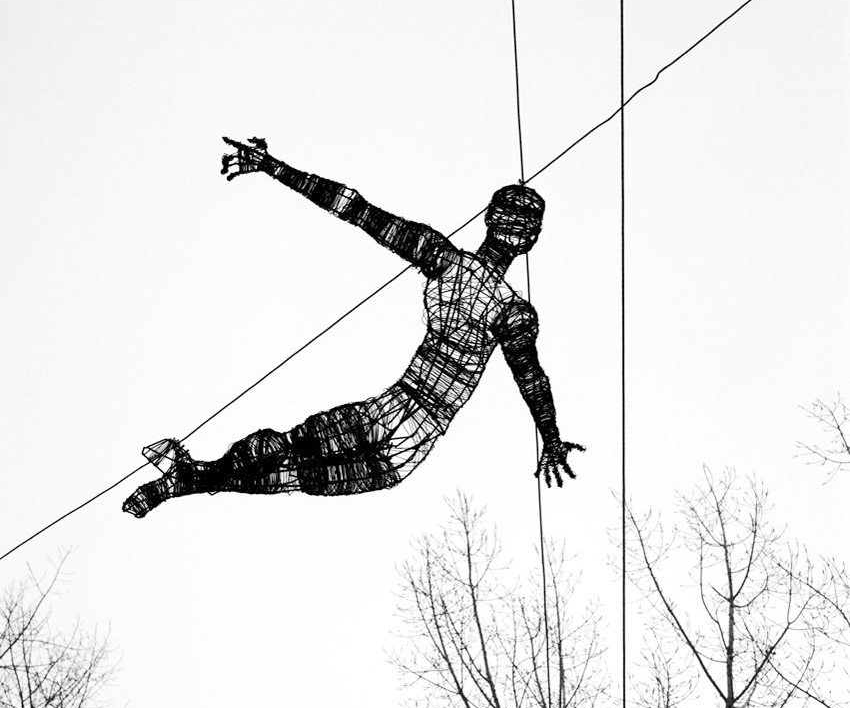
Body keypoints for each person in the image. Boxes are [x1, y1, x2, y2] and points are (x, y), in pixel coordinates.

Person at [122, 137, 584, 518]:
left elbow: (356, 209)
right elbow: (532, 380)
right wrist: (551, 438)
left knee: (289, 454)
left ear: (492, 221)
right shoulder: (505, 307)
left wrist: (274, 167)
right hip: (405, 440)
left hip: (387, 419)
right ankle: (187, 481)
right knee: (292, 472)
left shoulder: (452, 267)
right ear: (529, 241)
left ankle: (191, 478)